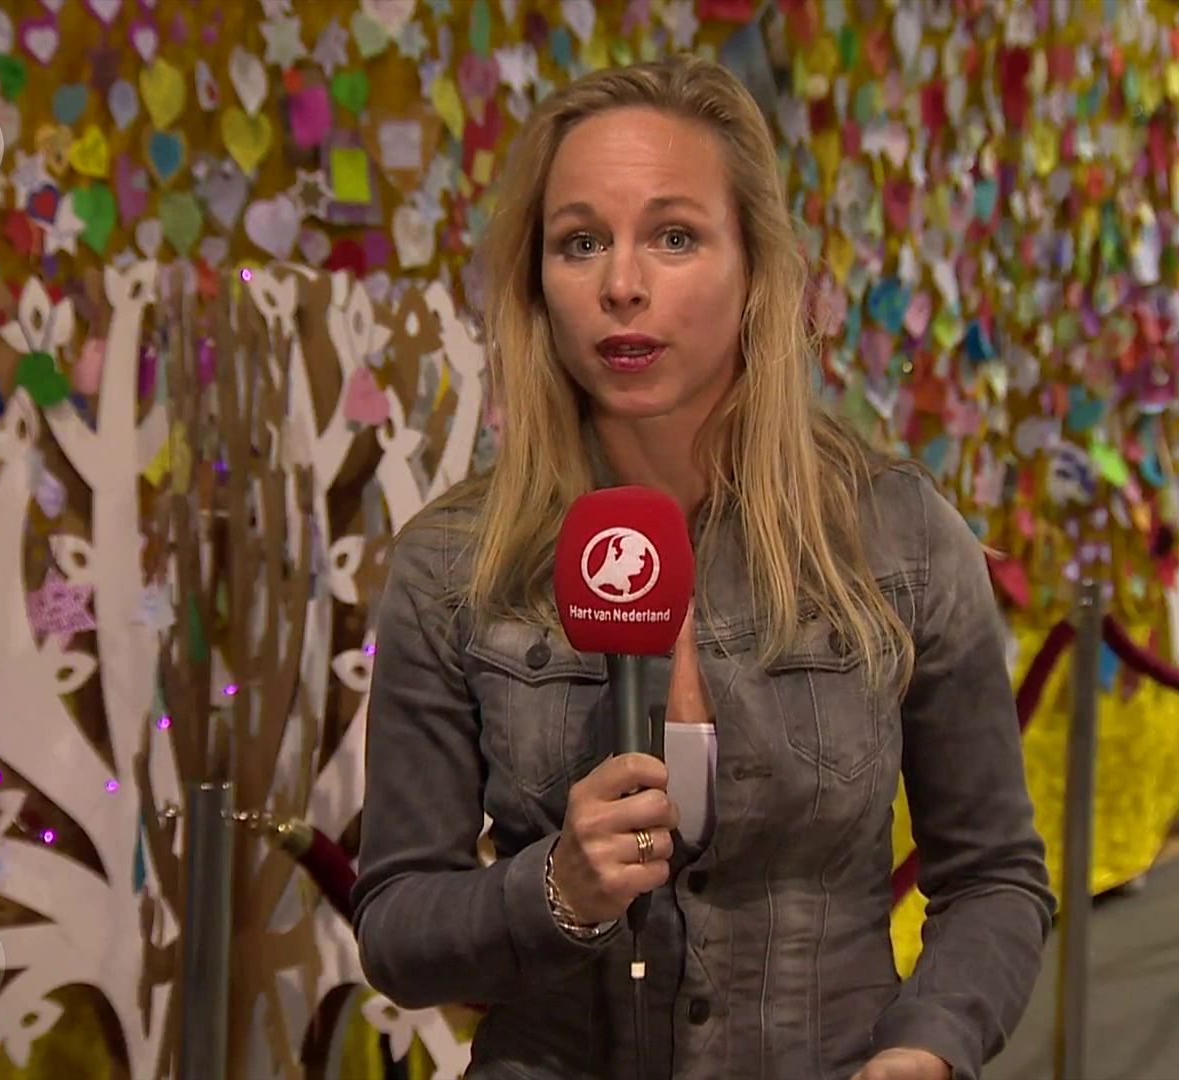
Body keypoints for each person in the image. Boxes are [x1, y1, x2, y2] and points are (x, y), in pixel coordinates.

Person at [352, 55, 1054, 1080]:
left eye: (674, 236)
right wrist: (554, 890)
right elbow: (396, 926)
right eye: (580, 242)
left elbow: (994, 878)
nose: (621, 285)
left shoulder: (900, 539)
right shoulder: (451, 566)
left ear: (757, 269)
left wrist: (929, 1046)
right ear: (537, 283)